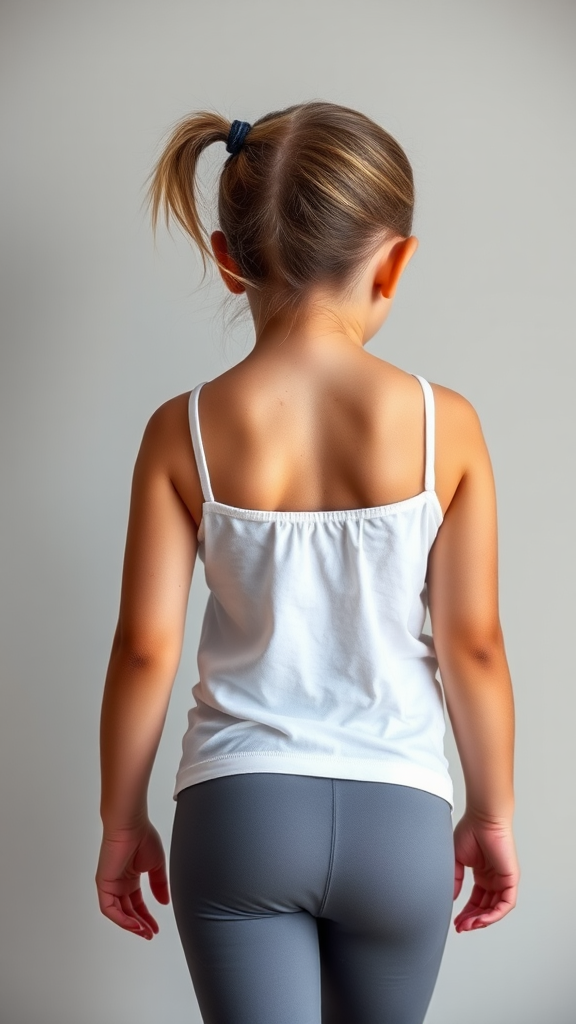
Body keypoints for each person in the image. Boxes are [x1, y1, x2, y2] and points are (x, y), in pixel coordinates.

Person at [96, 100, 520, 1024]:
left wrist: (122, 822)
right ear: (396, 260)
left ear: (228, 257)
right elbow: (475, 647)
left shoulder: (184, 431)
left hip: (237, 811)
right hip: (398, 818)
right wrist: (490, 817)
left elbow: (142, 650)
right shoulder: (446, 426)